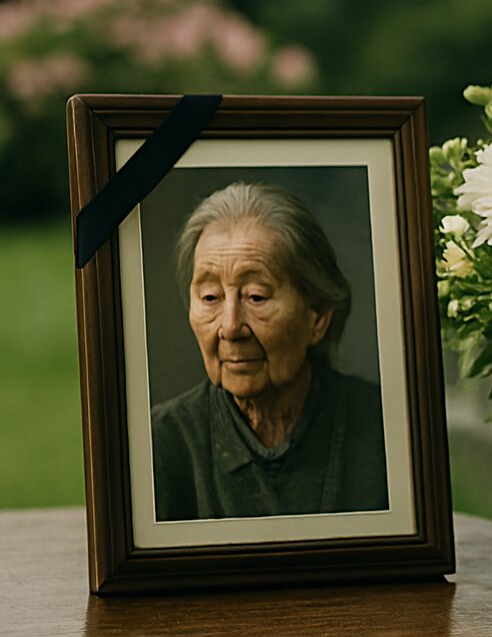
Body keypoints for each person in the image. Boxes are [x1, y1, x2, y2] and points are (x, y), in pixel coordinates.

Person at [151, 180, 389, 520]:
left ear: (317, 316)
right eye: (210, 298)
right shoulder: (161, 445)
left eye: (256, 296)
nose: (231, 327)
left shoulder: (384, 428)